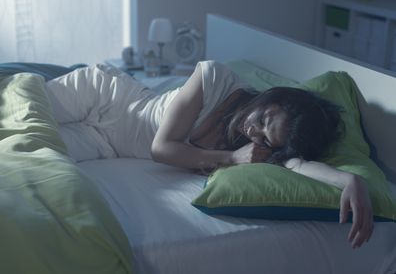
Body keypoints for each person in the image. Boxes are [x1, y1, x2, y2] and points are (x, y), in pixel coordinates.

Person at [45, 60, 373, 249]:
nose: (253, 132)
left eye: (266, 138)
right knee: (17, 112)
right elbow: (161, 149)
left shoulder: (259, 147)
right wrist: (228, 160)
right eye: (265, 119)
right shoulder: (214, 77)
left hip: (105, 144)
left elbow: (297, 165)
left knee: (22, 148)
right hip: (105, 96)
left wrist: (350, 179)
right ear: (274, 97)